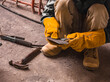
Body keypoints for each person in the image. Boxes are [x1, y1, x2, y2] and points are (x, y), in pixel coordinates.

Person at [41, 0, 110, 70]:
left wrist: (93, 38)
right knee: (62, 3)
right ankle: (59, 40)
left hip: (92, 28)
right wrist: (50, 25)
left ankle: (91, 47)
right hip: (71, 23)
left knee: (99, 10)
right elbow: (48, 11)